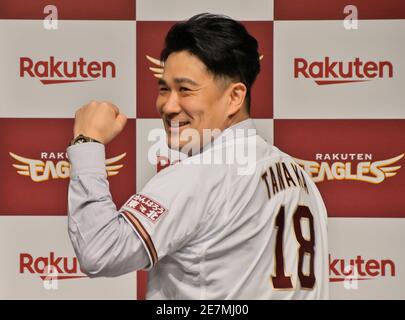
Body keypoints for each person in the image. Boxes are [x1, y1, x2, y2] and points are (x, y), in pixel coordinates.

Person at [67, 13, 329, 299]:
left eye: (185, 90)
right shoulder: (302, 179)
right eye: (164, 88)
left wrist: (87, 142)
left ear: (234, 97)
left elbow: (100, 250)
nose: (168, 106)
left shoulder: (200, 173)